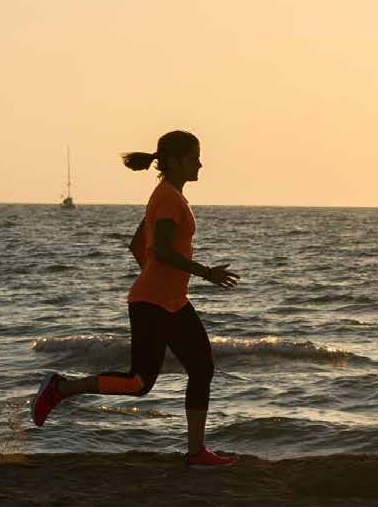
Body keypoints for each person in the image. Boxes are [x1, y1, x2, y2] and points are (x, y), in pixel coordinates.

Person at [31, 130, 240, 467]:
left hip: (169, 300)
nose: (200, 164)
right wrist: (204, 273)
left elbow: (137, 244)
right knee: (138, 383)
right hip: (155, 303)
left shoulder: (167, 195)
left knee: (201, 367)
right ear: (174, 162)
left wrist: (158, 279)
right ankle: (60, 388)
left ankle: (196, 451)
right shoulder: (168, 199)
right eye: (194, 158)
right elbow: (161, 249)